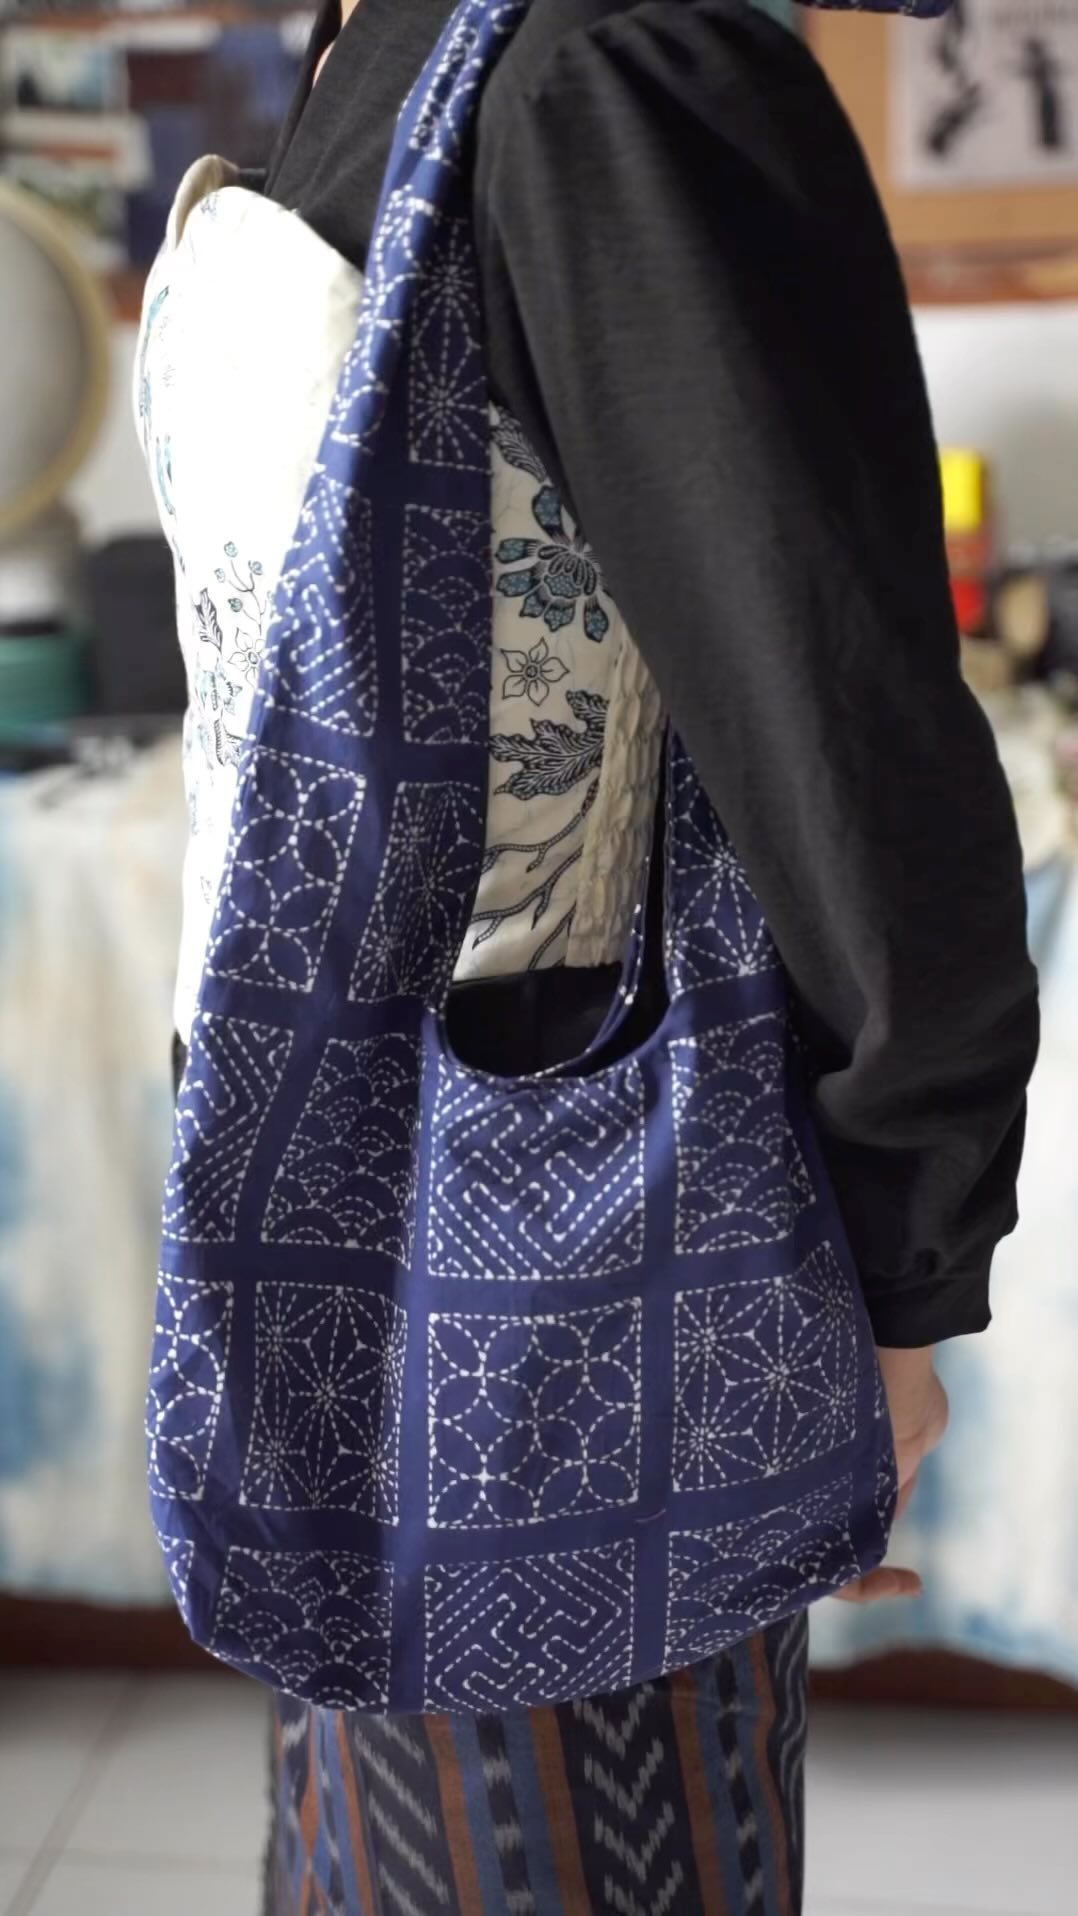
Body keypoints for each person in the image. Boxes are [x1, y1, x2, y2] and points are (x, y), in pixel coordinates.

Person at [139, 2, 1037, 1910]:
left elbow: (839, 726)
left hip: (569, 1274)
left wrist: (898, 1270)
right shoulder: (411, 40)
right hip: (356, 1236)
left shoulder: (588, 65)